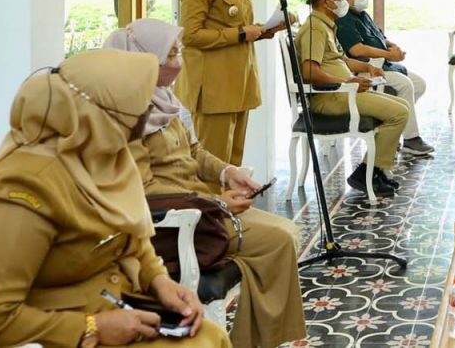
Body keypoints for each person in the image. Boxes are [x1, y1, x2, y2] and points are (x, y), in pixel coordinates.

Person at [0, 49, 230, 348]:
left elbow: (131, 239)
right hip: (34, 336)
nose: (148, 112)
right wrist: (92, 327)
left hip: (103, 307)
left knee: (208, 336)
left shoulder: (102, 160)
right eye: (139, 106)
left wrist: (158, 280)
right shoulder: (23, 191)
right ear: (102, 116)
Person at [104, 19, 307, 348]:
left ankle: (255, 337)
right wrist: (218, 203)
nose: (178, 62)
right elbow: (143, 192)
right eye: (171, 54)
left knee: (286, 233)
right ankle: (260, 339)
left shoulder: (164, 100)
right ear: (144, 59)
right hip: (176, 223)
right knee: (279, 240)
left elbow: (195, 152)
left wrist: (228, 173)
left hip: (203, 207)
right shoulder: (128, 115)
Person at [177, 0, 283, 167]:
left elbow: (237, 25)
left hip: (240, 80)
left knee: (233, 162)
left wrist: (265, 29)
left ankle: (230, 195)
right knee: (213, 164)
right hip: (214, 85)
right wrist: (241, 33)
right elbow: (190, 35)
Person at [295, 0, 409, 197]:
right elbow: (309, 72)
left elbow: (342, 60)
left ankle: (374, 171)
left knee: (402, 106)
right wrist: (346, 81)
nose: (343, 2)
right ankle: (367, 172)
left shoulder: (326, 26)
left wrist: (367, 68)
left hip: (345, 92)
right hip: (332, 97)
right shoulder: (314, 29)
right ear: (326, 2)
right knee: (399, 113)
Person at [336, 0, 433, 156]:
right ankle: (411, 139)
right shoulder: (344, 19)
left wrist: (393, 47)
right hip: (366, 69)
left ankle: (391, 130)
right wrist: (389, 55)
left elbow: (379, 37)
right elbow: (357, 49)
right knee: (405, 85)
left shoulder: (363, 15)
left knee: (419, 84)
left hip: (384, 64)